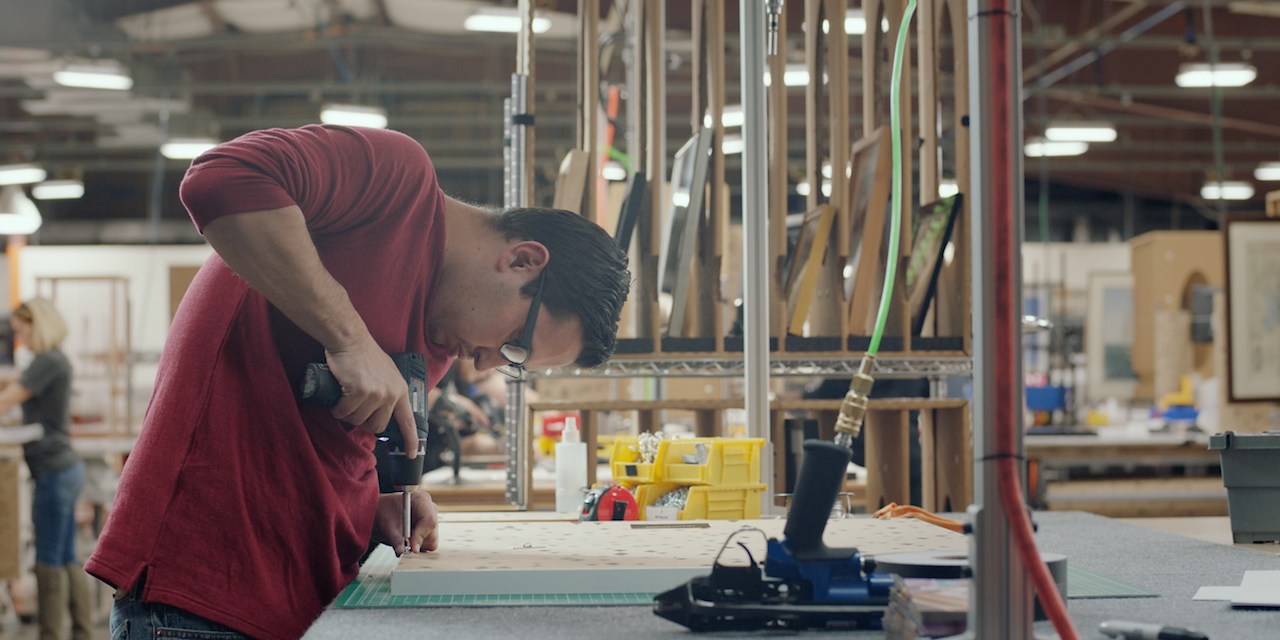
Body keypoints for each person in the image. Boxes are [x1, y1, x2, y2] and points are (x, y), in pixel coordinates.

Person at [85, 124, 631, 640]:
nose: (489, 365)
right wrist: (350, 339)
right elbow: (219, 176)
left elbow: (313, 441)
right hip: (203, 597)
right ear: (521, 261)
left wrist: (372, 503)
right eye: (514, 345)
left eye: (512, 364)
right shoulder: (397, 183)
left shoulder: (442, 332)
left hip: (304, 601)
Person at [0, 299, 93, 640]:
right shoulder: (52, 360)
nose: (20, 339)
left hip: (54, 471)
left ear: (38, 326)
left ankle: (50, 635)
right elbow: (13, 383)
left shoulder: (47, 360)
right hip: (63, 468)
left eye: (23, 331)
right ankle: (83, 632)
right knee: (67, 555)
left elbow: (8, 398)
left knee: (48, 558)